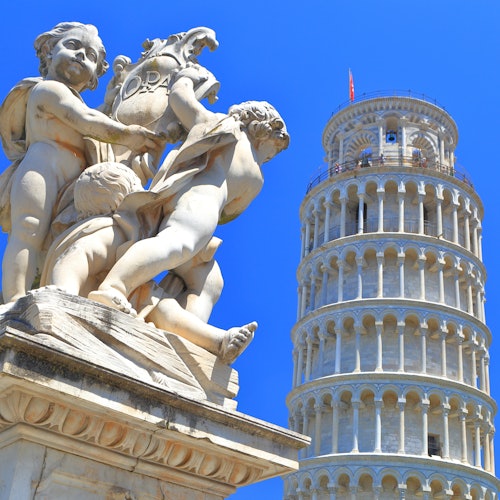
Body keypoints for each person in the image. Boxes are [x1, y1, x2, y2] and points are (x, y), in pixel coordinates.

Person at [88, 65, 289, 322]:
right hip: (202, 205)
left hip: (186, 200)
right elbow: (232, 211)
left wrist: (187, 78)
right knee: (175, 244)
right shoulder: (250, 166)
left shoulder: (218, 126)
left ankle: (186, 333)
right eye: (272, 151)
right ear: (264, 133)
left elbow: (182, 99)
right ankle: (113, 286)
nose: (270, 157)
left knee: (210, 279)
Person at [0, 22, 164, 303]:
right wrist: (128, 135)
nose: (80, 57)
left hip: (73, 185)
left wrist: (110, 104)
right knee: (28, 231)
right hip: (41, 168)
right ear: (49, 51)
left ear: (91, 80)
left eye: (90, 56)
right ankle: (14, 302)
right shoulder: (47, 90)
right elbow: (85, 122)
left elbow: (89, 121)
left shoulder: (76, 103)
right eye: (73, 46)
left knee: (57, 241)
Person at [42, 162, 256, 363]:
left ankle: (219, 341)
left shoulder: (128, 234)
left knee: (167, 310)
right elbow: (77, 257)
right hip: (99, 295)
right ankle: (217, 341)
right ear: (123, 198)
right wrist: (64, 292)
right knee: (165, 310)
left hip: (132, 296)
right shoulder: (106, 230)